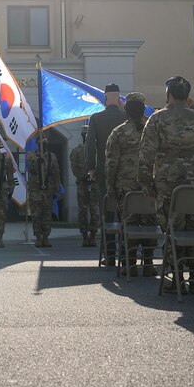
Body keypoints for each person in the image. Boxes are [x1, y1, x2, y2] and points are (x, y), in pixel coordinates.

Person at [138, 77, 194, 293]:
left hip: (169, 184)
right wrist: (191, 104)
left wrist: (148, 187)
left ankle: (177, 278)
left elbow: (145, 157)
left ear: (167, 94)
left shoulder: (157, 119)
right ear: (187, 96)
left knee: (172, 229)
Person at [105, 92, 155, 276]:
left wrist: (110, 187)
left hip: (126, 189)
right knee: (150, 224)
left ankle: (129, 264)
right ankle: (148, 264)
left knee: (129, 225)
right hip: (149, 186)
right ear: (142, 110)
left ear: (126, 110)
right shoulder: (152, 130)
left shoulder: (118, 133)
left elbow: (111, 163)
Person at [86, 84, 124, 264]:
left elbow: (90, 145)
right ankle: (126, 255)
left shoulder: (96, 118)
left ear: (105, 98)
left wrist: (91, 168)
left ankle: (109, 255)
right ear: (118, 98)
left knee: (107, 214)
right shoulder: (127, 117)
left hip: (104, 171)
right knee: (126, 212)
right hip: (126, 172)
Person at [26, 134, 60, 248]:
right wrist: (38, 159)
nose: (44, 142)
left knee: (47, 215)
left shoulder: (52, 157)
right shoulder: (31, 155)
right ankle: (38, 238)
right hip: (35, 191)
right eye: (42, 140)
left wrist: (56, 188)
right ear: (38, 142)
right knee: (36, 216)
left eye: (46, 140)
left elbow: (56, 173)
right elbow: (31, 166)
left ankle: (46, 237)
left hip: (48, 191)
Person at [70, 123, 99, 247]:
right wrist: (82, 176)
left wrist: (94, 176)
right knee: (83, 211)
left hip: (94, 184)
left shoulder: (97, 150)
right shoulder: (76, 151)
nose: (85, 137)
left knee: (95, 210)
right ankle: (84, 235)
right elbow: (74, 167)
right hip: (82, 184)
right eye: (84, 135)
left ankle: (93, 235)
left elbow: (100, 165)